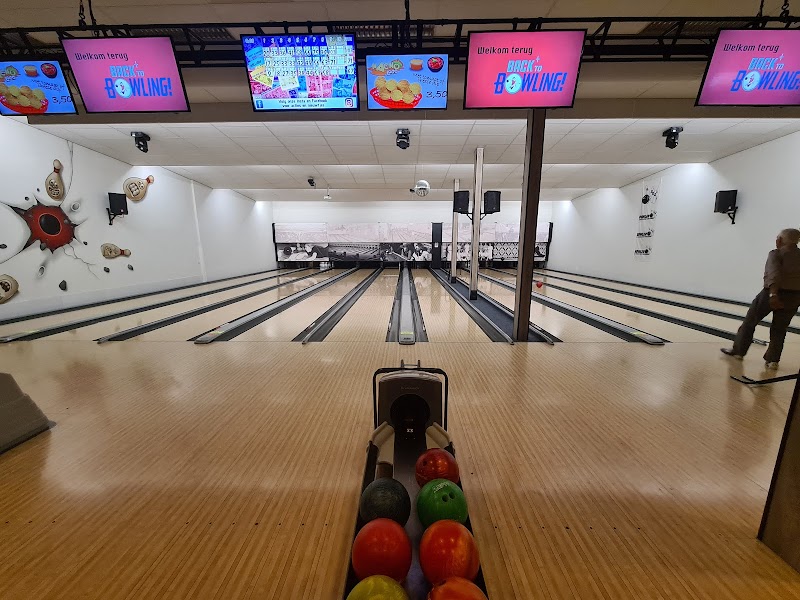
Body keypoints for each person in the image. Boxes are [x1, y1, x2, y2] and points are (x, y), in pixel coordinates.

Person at [722, 228, 800, 369]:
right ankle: (773, 360)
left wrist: (773, 294)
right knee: (780, 329)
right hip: (794, 296)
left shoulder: (776, 253)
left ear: (779, 240)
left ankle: (739, 351)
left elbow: (774, 274)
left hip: (771, 293)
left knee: (750, 321)